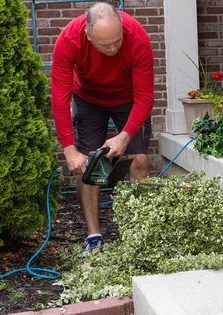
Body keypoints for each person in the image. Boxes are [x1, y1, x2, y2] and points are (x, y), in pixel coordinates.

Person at [51, 2, 154, 255]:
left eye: (117, 41)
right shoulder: (68, 40)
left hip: (128, 99)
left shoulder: (137, 36)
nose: (113, 48)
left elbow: (145, 98)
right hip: (88, 99)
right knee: (87, 166)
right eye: (105, 44)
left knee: (139, 160)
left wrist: (125, 136)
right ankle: (94, 237)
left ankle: (140, 233)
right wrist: (69, 149)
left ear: (122, 29)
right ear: (88, 35)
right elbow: (60, 98)